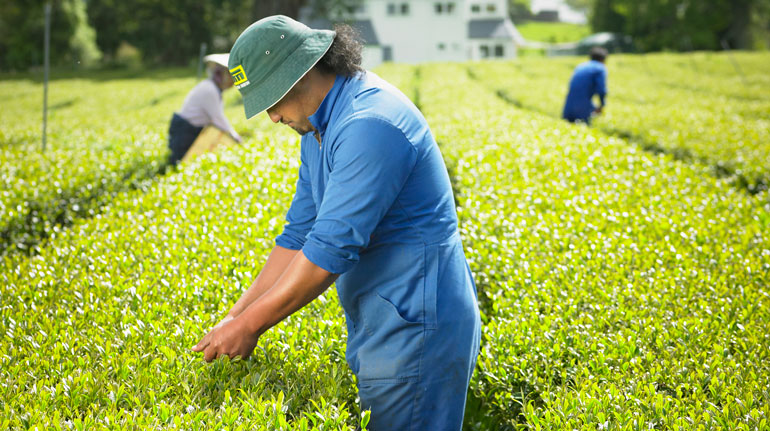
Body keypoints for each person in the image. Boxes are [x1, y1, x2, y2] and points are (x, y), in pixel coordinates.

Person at [191, 15, 481, 430]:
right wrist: (236, 317)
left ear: (303, 72)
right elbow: (299, 234)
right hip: (384, 320)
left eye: (273, 101)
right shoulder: (319, 128)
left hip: (417, 327)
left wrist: (252, 326)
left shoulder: (369, 124)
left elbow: (330, 249)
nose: (272, 118)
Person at [167, 54, 242, 165]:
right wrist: (236, 137)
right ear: (222, 75)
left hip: (192, 130)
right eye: (230, 76)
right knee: (180, 163)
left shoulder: (213, 89)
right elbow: (218, 118)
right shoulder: (210, 90)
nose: (233, 82)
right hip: (185, 130)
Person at [562, 46, 609, 124]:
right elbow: (601, 90)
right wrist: (602, 105)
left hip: (569, 104)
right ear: (603, 59)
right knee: (583, 126)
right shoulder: (600, 68)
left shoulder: (581, 66)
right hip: (583, 106)